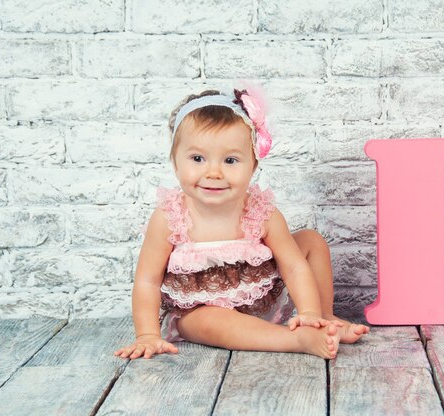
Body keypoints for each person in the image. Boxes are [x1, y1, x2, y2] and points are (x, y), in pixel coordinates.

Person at [114, 85, 369, 361]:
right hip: (200, 312)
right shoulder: (169, 218)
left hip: (261, 299)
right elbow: (147, 281)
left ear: (253, 166)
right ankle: (295, 339)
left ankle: (323, 321)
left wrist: (308, 312)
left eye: (231, 160)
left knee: (310, 241)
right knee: (209, 321)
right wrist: (147, 334)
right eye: (197, 158)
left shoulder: (263, 213)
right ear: (175, 163)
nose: (213, 172)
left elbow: (294, 267)